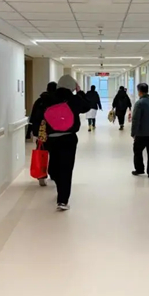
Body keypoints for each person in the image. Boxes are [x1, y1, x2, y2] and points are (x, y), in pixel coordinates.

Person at [44, 74, 91, 211]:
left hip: (51, 138)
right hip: (68, 138)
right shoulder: (74, 99)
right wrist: (80, 92)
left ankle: (58, 184)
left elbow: (39, 115)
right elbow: (87, 106)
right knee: (66, 168)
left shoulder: (48, 98)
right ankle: (62, 200)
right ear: (72, 86)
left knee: (54, 166)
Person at [29, 81, 57, 186]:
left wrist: (33, 131)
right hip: (54, 132)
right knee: (55, 155)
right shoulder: (57, 101)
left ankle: (41, 175)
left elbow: (33, 117)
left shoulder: (39, 101)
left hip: (41, 132)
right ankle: (53, 174)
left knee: (41, 152)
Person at [131, 83, 149, 180]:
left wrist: (133, 133)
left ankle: (139, 169)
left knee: (137, 151)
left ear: (139, 91)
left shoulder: (139, 103)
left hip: (142, 134)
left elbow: (135, 119)